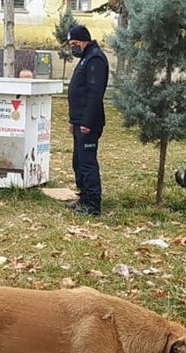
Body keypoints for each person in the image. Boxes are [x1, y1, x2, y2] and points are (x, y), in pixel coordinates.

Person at [65, 24, 108, 216]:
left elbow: (94, 93)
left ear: (84, 40)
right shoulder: (85, 58)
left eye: (74, 43)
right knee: (78, 161)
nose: (72, 47)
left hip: (88, 123)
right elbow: (79, 92)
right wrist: (73, 120)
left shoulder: (95, 59)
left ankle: (93, 204)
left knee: (87, 162)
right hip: (79, 121)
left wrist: (86, 123)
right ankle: (83, 198)